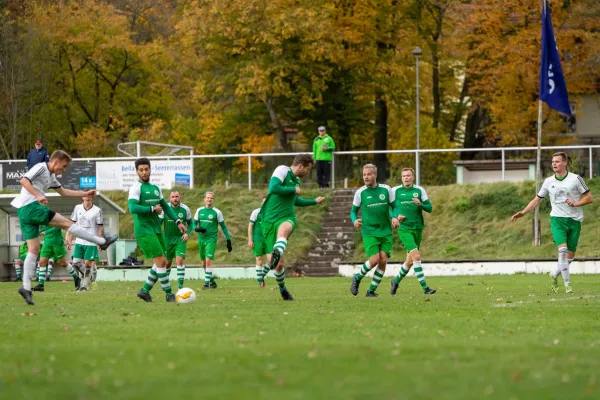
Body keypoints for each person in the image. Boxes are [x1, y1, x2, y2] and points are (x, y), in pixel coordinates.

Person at [11, 150, 118, 305]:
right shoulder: (41, 167)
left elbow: (63, 192)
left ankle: (25, 287)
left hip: (24, 212)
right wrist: (39, 195)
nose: (64, 170)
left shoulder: (51, 176)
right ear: (56, 161)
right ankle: (101, 241)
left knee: (33, 250)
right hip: (31, 207)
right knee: (68, 224)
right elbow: (23, 181)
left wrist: (85, 192)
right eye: (63, 166)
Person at [511, 152, 592, 294]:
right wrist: (523, 212)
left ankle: (554, 275)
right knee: (562, 250)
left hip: (574, 221)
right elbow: (537, 199)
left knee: (570, 258)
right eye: (553, 161)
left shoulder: (576, 179)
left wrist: (575, 203)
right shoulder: (548, 181)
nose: (554, 164)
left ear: (565, 163)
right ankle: (568, 285)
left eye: (558, 161)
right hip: (557, 220)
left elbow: (589, 198)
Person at [262, 154, 325, 300]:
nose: (308, 173)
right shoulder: (282, 170)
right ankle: (283, 289)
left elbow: (295, 201)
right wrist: (292, 189)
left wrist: (314, 201)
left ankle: (278, 250)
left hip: (287, 216)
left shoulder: (296, 180)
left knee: (284, 230)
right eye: (308, 170)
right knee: (278, 265)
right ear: (301, 166)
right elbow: (274, 188)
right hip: (269, 219)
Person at [130, 158, 187, 303]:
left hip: (156, 229)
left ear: (150, 170)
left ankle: (144, 291)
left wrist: (178, 221)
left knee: (160, 262)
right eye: (141, 170)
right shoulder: (136, 188)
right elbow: (132, 208)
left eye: (146, 169)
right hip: (144, 230)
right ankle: (169, 294)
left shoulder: (155, 188)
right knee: (162, 261)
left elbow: (166, 207)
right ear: (137, 171)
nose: (144, 172)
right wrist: (151, 209)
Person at [349, 164, 399, 297]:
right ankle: (357, 278)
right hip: (369, 231)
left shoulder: (386, 190)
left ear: (375, 175)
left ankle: (371, 291)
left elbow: (395, 206)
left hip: (386, 230)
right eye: (364, 174)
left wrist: (394, 217)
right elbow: (353, 211)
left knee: (383, 260)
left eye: (369, 174)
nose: (366, 177)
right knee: (375, 259)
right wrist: (354, 220)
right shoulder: (360, 192)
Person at [390, 168, 436, 295]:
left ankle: (396, 280)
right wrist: (395, 216)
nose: (406, 178)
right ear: (402, 178)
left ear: (413, 177)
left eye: (408, 175)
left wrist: (420, 204)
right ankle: (425, 288)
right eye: (403, 176)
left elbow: (430, 208)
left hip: (417, 227)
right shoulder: (395, 191)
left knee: (410, 261)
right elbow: (388, 207)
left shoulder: (419, 190)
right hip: (404, 229)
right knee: (416, 256)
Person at [194, 192, 231, 289]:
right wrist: (197, 229)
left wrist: (228, 240)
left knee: (208, 260)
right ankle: (212, 282)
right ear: (204, 199)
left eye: (211, 198)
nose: (209, 199)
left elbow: (223, 227)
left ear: (213, 200)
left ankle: (206, 284)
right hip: (201, 239)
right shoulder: (199, 211)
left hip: (211, 239)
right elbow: (193, 224)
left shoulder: (217, 212)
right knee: (203, 263)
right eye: (207, 198)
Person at [66, 196, 104, 291]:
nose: (88, 197)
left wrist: (100, 241)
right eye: (86, 195)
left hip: (91, 241)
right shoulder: (77, 208)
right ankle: (90, 277)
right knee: (75, 263)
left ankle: (84, 286)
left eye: (90, 195)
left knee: (87, 263)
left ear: (92, 198)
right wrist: (69, 238)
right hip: (79, 240)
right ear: (82, 197)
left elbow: (100, 227)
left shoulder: (97, 210)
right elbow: (72, 224)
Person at [160, 191, 194, 290]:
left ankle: (180, 287)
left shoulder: (185, 209)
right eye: (173, 197)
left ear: (180, 197)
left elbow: (191, 224)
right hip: (167, 240)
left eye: (177, 196)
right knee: (167, 263)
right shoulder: (165, 209)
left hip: (180, 239)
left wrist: (187, 233)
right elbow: (159, 223)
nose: (175, 198)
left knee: (179, 260)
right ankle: (165, 283)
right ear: (170, 198)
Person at [32, 225, 81, 292]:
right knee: (42, 262)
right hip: (47, 243)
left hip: (57, 243)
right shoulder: (44, 217)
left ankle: (76, 278)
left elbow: (57, 227)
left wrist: (46, 232)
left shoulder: (55, 216)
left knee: (62, 263)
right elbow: (44, 227)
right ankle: (41, 284)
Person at [248, 198, 269, 287]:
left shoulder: (272, 213)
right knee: (259, 259)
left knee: (271, 260)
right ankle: (260, 281)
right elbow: (250, 226)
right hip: (257, 238)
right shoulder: (256, 212)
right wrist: (250, 239)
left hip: (268, 238)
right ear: (261, 203)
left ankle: (261, 275)